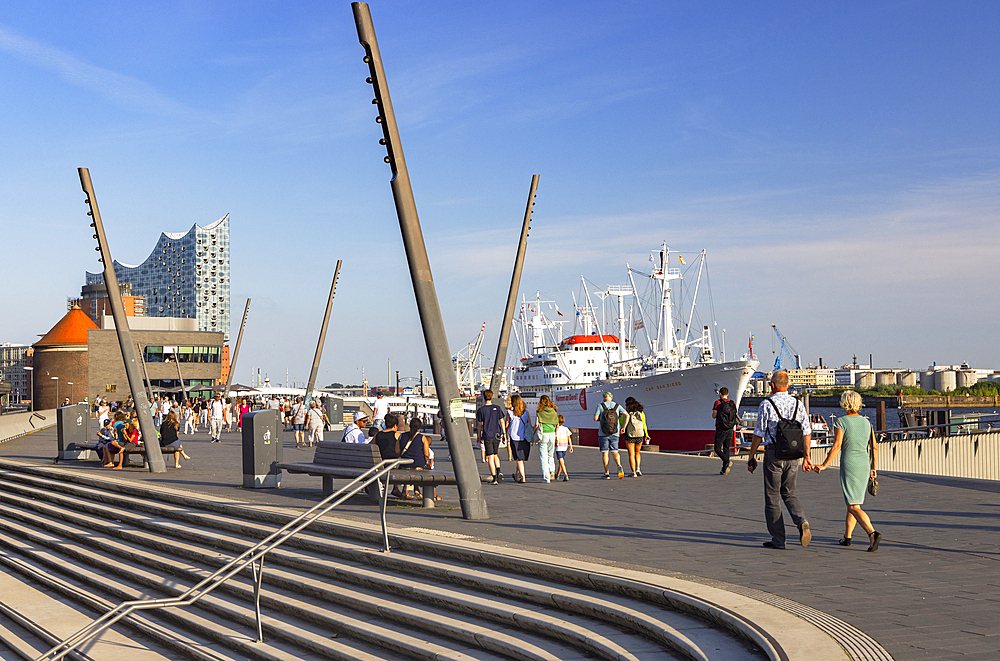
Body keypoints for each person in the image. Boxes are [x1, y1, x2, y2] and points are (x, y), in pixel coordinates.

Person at [747, 371, 813, 550]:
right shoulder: (798, 403)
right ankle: (802, 522)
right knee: (790, 492)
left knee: (772, 496)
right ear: (788, 384)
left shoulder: (766, 404)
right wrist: (807, 457)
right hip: (794, 456)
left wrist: (751, 456)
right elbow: (806, 432)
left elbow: (759, 433)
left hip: (774, 455)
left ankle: (778, 539)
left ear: (772, 385)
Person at [814, 390, 882, 552]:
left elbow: (837, 446)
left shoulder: (841, 421)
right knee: (853, 503)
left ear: (844, 403)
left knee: (853, 506)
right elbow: (874, 447)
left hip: (850, 464)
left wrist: (824, 465)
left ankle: (872, 533)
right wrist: (873, 468)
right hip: (864, 464)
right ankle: (847, 537)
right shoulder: (867, 422)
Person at [476, 389, 507, 484]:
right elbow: (502, 421)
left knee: (489, 456)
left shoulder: (481, 410)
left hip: (487, 434)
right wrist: (504, 433)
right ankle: (499, 471)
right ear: (492, 397)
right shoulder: (497, 408)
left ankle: (494, 477)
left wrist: (479, 436)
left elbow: (480, 425)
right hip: (497, 434)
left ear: (484, 397)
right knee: (495, 454)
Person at [594, 392, 626, 479]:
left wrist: (602, 420)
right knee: (615, 451)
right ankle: (619, 465)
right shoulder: (617, 406)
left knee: (605, 453)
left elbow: (595, 418)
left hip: (603, 433)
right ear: (611, 398)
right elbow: (627, 415)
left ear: (604, 398)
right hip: (615, 432)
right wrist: (624, 427)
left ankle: (607, 473)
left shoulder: (600, 406)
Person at [712, 387, 739, 475]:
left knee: (717, 448)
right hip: (730, 428)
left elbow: (714, 415)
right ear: (727, 394)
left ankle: (726, 461)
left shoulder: (718, 402)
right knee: (726, 448)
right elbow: (735, 414)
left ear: (720, 393)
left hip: (721, 428)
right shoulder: (732, 402)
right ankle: (724, 469)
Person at [506, 395, 532, 483]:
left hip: (514, 437)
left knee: (519, 459)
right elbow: (530, 425)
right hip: (524, 437)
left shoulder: (510, 413)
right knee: (519, 458)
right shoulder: (526, 412)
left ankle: (523, 477)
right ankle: (517, 476)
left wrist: (504, 434)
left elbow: (506, 425)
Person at [622, 397, 649, 477]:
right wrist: (647, 435)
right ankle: (638, 469)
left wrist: (620, 419)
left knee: (631, 454)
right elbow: (644, 424)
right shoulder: (641, 412)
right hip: (640, 434)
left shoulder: (627, 413)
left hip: (630, 435)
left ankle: (633, 472)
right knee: (638, 453)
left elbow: (623, 424)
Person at [535, 396, 559, 483]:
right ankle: (552, 471)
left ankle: (546, 477)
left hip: (543, 434)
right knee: (550, 454)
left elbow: (537, 424)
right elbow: (557, 424)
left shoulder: (539, 411)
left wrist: (533, 434)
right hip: (552, 434)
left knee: (543, 457)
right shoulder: (553, 411)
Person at [553, 414, 573, 481]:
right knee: (561, 461)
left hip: (558, 446)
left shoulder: (555, 429)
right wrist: (571, 446)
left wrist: (556, 430)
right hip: (565, 446)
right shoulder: (566, 428)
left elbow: (554, 436)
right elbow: (569, 438)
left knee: (561, 461)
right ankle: (558, 475)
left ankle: (565, 474)